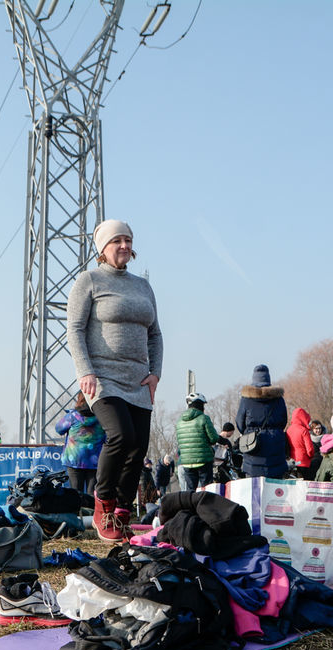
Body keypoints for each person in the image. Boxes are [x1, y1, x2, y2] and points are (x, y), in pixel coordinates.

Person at [66, 219, 162, 541]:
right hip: (103, 377)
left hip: (138, 381)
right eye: (117, 240)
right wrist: (85, 371)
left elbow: (155, 334)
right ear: (102, 248)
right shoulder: (89, 281)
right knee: (120, 436)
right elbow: (75, 329)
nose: (124, 246)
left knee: (138, 447)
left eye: (128, 240)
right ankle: (103, 503)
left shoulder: (143, 286)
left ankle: (122, 510)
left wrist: (155, 374)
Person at [236, 364, 289, 478]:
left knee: (253, 488)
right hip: (275, 446)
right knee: (276, 488)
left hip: (253, 447)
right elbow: (284, 421)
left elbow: (240, 423)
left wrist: (249, 432)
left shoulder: (246, 399)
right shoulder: (279, 399)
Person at [55, 392, 105, 496]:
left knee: (76, 493)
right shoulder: (102, 416)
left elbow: (59, 429)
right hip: (95, 460)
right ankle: (91, 511)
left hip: (74, 459)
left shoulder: (72, 416)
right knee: (92, 493)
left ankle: (78, 512)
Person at [174, 392, 220, 492]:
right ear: (200, 405)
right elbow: (214, 439)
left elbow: (181, 442)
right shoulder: (204, 418)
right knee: (207, 490)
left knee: (190, 491)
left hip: (186, 461)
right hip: (203, 460)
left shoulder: (179, 422)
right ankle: (206, 507)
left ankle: (191, 508)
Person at [287, 408, 315, 478]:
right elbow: (310, 450)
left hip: (292, 461)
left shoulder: (289, 429)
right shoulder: (304, 430)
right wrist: (311, 456)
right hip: (304, 462)